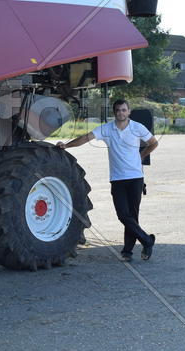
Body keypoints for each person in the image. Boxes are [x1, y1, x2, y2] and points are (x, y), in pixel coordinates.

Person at [57, 100, 158, 261]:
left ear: (129, 112)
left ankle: (127, 251)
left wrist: (141, 156)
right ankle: (147, 240)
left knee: (132, 215)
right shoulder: (107, 129)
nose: (121, 113)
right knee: (123, 215)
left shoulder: (137, 127)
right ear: (114, 112)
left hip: (136, 178)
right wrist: (67, 146)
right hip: (117, 178)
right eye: (118, 110)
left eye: (124, 110)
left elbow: (153, 143)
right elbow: (86, 138)